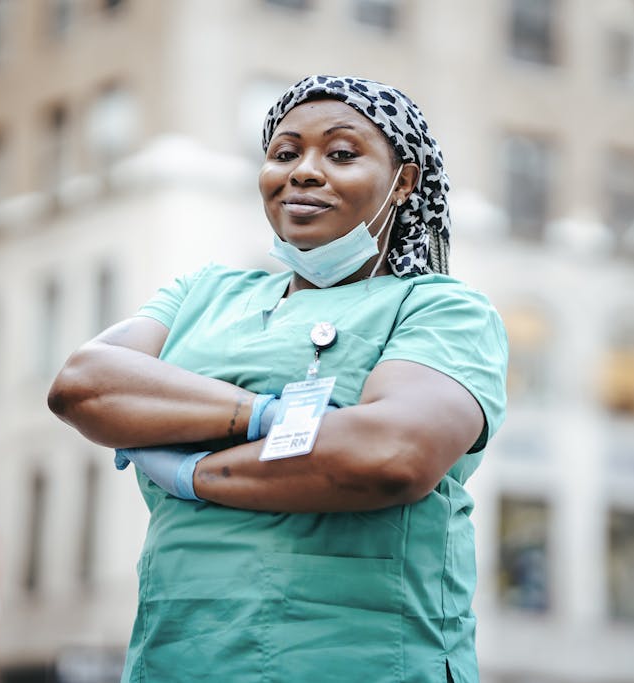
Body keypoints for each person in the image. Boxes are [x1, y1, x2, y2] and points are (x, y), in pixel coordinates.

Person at [48, 75, 508, 683]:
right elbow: (84, 384)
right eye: (285, 153)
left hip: (361, 662)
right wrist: (272, 419)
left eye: (341, 154)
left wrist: (190, 472)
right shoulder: (202, 293)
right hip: (180, 661)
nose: (305, 172)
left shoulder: (442, 309)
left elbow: (392, 453)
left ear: (403, 182)